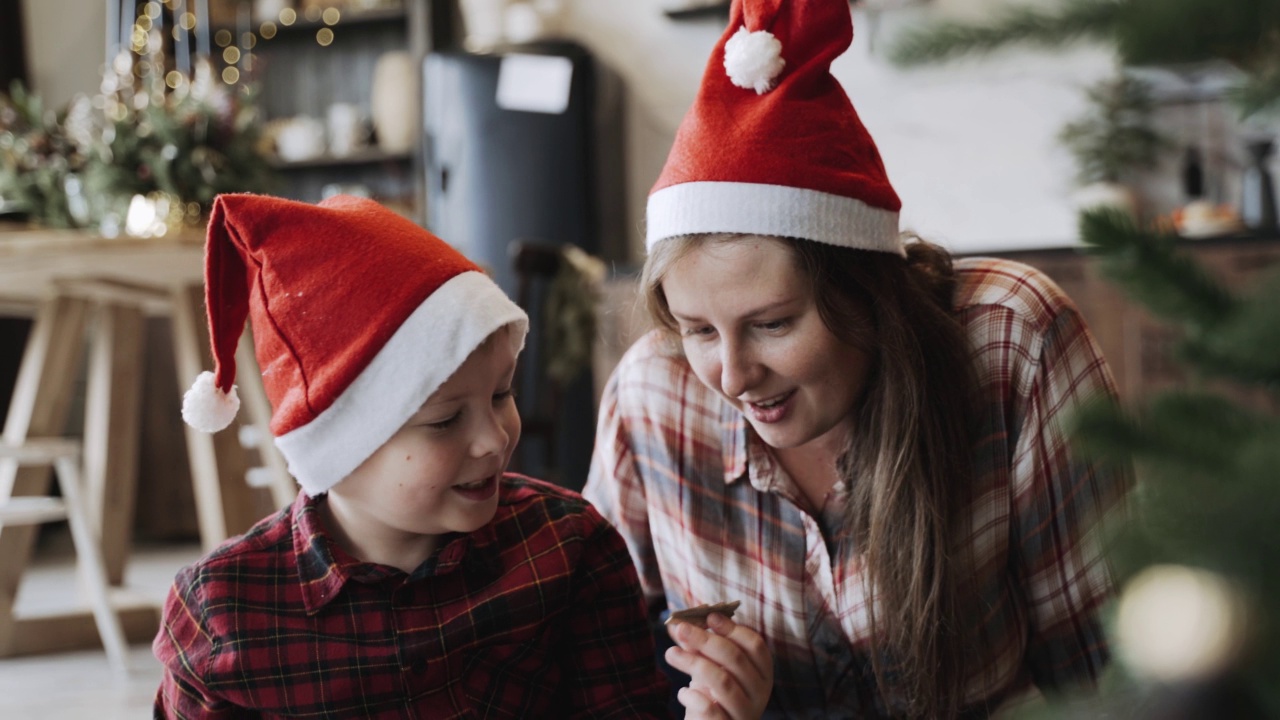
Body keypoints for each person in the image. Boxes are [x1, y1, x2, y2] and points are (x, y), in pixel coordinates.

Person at [582, 0, 1133, 717]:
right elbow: (600, 671)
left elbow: (1107, 673)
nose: (735, 377)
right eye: (699, 331)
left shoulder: (1010, 342)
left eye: (774, 323)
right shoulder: (651, 398)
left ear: (870, 295)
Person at [153, 193, 670, 718]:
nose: (493, 440)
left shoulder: (569, 549)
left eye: (501, 394)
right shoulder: (222, 611)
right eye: (445, 420)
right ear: (338, 451)